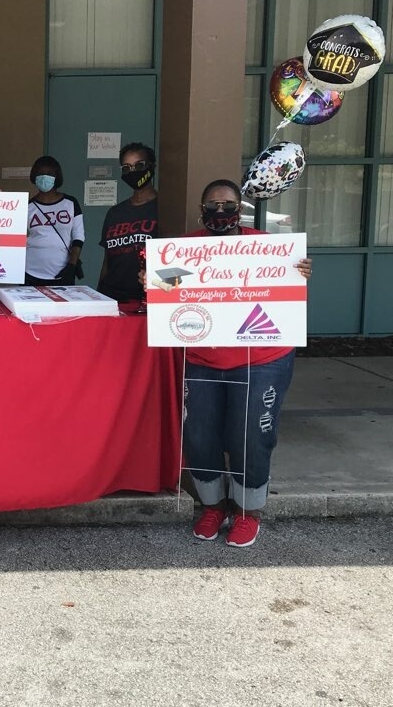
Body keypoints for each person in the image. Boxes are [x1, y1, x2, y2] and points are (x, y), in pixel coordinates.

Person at [148, 179, 312, 548]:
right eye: (212, 205)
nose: (219, 212)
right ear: (202, 210)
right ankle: (213, 506)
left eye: (227, 205)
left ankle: (248, 511)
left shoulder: (266, 247)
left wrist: (299, 272)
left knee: (252, 436)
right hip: (204, 358)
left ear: (240, 209)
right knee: (200, 436)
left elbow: (284, 287)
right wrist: (153, 282)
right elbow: (168, 291)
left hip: (263, 358)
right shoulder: (184, 250)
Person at [99, 141, 158, 304]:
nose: (133, 172)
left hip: (145, 300)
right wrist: (100, 297)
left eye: (139, 165)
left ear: (152, 166)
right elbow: (107, 260)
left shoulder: (165, 210)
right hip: (112, 297)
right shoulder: (115, 213)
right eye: (126, 167)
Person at [24, 155, 84, 286]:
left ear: (57, 177)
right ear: (34, 176)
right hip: (30, 273)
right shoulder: (27, 207)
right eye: (40, 173)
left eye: (49, 173)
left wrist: (72, 265)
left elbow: (78, 237)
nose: (44, 177)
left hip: (62, 273)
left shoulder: (71, 203)